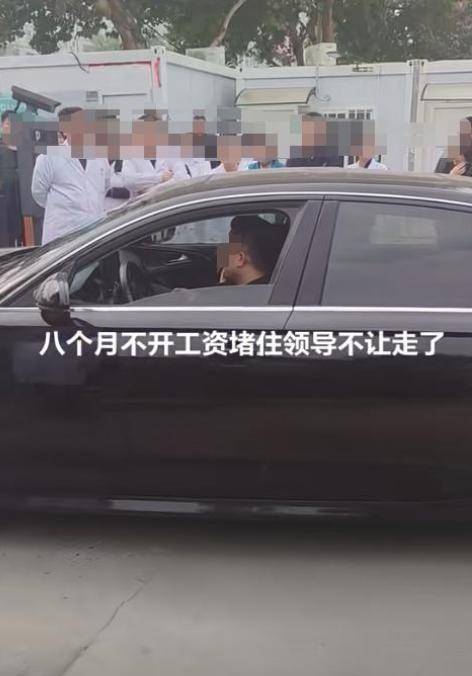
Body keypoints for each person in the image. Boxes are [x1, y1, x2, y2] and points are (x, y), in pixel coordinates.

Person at [32, 107, 113, 244]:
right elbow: (38, 193)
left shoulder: (99, 156)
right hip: (63, 232)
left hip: (95, 231)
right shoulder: (48, 157)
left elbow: (105, 186)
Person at [218, 215, 288, 286]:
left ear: (240, 258)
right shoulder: (273, 287)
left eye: (229, 245)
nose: (222, 251)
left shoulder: (233, 293)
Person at [0, 110, 23, 246]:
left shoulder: (25, 149)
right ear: (1, 125)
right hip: (4, 200)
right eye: (8, 123)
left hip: (21, 200)